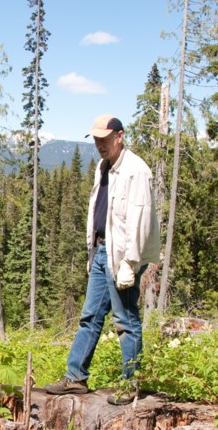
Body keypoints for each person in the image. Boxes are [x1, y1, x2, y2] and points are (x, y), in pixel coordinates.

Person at [44, 114, 160, 404]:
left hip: (121, 256)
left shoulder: (137, 171)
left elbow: (140, 221)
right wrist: (91, 251)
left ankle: (130, 384)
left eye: (104, 139)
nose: (99, 145)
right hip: (100, 251)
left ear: (120, 136)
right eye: (96, 140)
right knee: (90, 317)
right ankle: (76, 378)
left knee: (126, 319)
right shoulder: (103, 167)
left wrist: (129, 263)